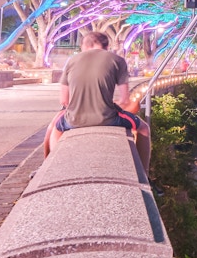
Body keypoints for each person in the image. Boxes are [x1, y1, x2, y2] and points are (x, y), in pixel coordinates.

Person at [44, 32, 150, 170]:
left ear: (87, 45)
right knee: (143, 128)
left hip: (73, 120)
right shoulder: (117, 60)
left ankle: (47, 167)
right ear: (106, 45)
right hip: (107, 119)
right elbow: (125, 100)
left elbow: (64, 100)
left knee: (54, 128)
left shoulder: (72, 61)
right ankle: (144, 172)